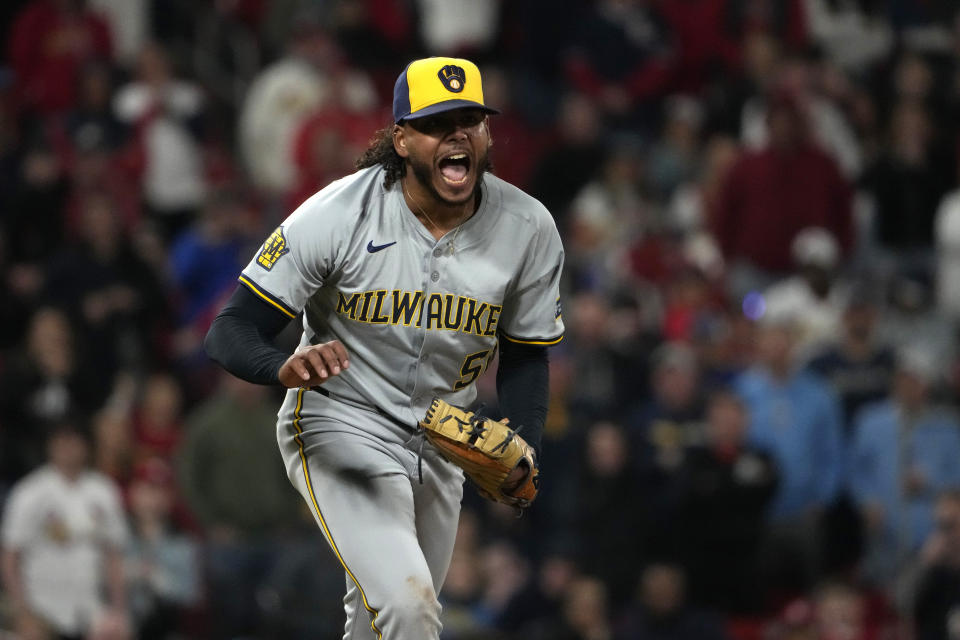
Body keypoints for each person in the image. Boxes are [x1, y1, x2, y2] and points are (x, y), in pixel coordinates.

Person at [204, 56, 565, 640]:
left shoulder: (528, 227)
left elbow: (526, 351)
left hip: (442, 439)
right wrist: (281, 364)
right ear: (401, 138)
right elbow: (231, 327)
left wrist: (526, 436)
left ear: (488, 133)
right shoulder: (339, 213)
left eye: (470, 119)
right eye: (436, 122)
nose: (457, 135)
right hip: (340, 419)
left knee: (381, 626)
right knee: (407, 607)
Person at [1, 420, 130, 640]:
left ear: (86, 445)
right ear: (49, 446)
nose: (67, 448)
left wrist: (119, 611)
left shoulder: (104, 491)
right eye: (60, 441)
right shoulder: (30, 492)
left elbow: (113, 555)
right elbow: (10, 557)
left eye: (73, 441)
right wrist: (22, 612)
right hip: (40, 606)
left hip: (89, 606)